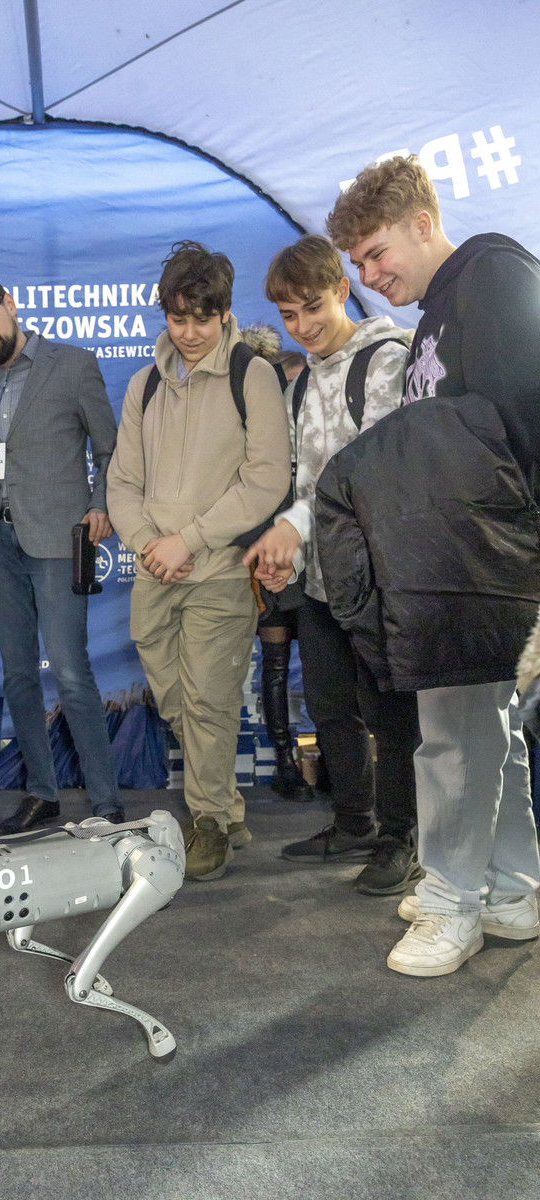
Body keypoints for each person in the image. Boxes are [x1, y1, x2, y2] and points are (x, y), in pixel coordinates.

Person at [320, 154, 540, 974]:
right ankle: (511, 889)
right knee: (485, 729)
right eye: (357, 264)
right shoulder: (435, 316)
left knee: (452, 738)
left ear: (422, 223)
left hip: (484, 558)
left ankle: (452, 902)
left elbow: (527, 425)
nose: (369, 276)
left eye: (377, 253)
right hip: (456, 556)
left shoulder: (494, 275)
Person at [107, 241, 290, 880]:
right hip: (154, 571)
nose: (189, 333)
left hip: (218, 572)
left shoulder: (252, 375)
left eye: (202, 319)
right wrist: (150, 545)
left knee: (209, 701)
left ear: (224, 313)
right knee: (176, 702)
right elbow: (122, 482)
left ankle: (208, 822)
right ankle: (229, 809)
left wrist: (190, 540)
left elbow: (266, 480)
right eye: (178, 318)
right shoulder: (144, 385)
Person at [245, 235, 421, 896]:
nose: (303, 326)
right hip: (322, 581)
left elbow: (367, 474)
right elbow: (302, 482)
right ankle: (354, 822)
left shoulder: (386, 359)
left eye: (313, 307)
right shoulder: (300, 384)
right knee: (327, 705)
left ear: (343, 289)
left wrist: (291, 527)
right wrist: (286, 555)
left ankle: (401, 839)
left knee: (391, 717)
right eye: (289, 315)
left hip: (381, 578)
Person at [0, 272, 123, 833]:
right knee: (18, 674)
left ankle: (106, 802)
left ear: (11, 304)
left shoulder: (73, 365)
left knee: (70, 672)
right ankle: (42, 793)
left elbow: (110, 449)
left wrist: (101, 505)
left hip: (57, 538)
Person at [238, 323, 311, 802]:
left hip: (314, 543)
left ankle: (325, 760)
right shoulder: (242, 408)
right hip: (267, 547)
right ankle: (286, 762)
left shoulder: (302, 378)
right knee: (276, 661)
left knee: (322, 662)